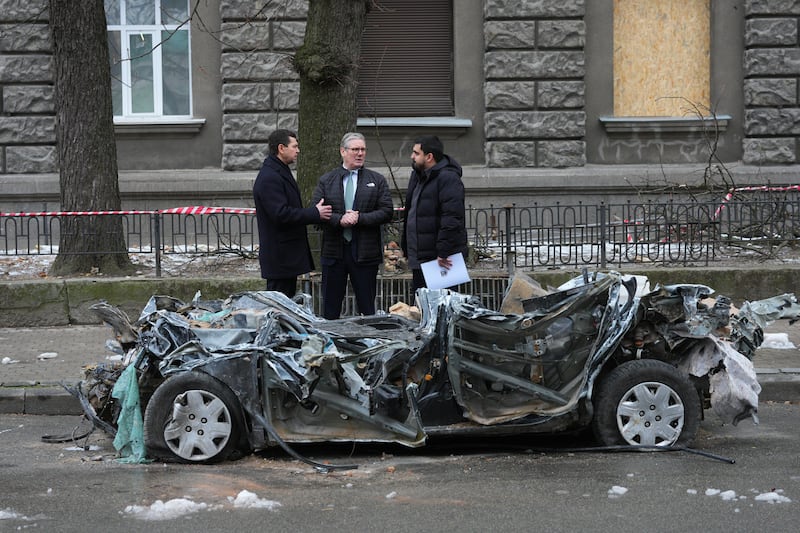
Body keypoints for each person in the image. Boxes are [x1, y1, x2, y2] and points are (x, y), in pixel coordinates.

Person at [311, 132, 393, 318]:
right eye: (355, 149)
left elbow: (387, 211)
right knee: (330, 309)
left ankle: (368, 343)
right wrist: (339, 219)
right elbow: (316, 212)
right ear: (343, 151)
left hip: (365, 253)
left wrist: (360, 218)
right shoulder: (327, 180)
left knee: (367, 308)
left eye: (363, 149)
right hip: (334, 253)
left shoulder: (376, 180)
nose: (360, 153)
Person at [253, 129, 332, 298]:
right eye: (294, 146)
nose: (298, 151)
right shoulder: (270, 176)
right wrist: (314, 213)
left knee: (284, 305)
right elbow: (281, 214)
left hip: (285, 258)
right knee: (279, 307)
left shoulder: (278, 171)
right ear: (281, 148)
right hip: (280, 259)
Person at [401, 135, 468, 292]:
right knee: (422, 309)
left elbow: (452, 218)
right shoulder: (417, 176)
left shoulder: (448, 178)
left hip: (442, 260)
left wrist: (443, 252)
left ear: (429, 157)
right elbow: (411, 212)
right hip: (421, 257)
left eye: (416, 153)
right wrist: (406, 247)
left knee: (443, 308)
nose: (412, 157)